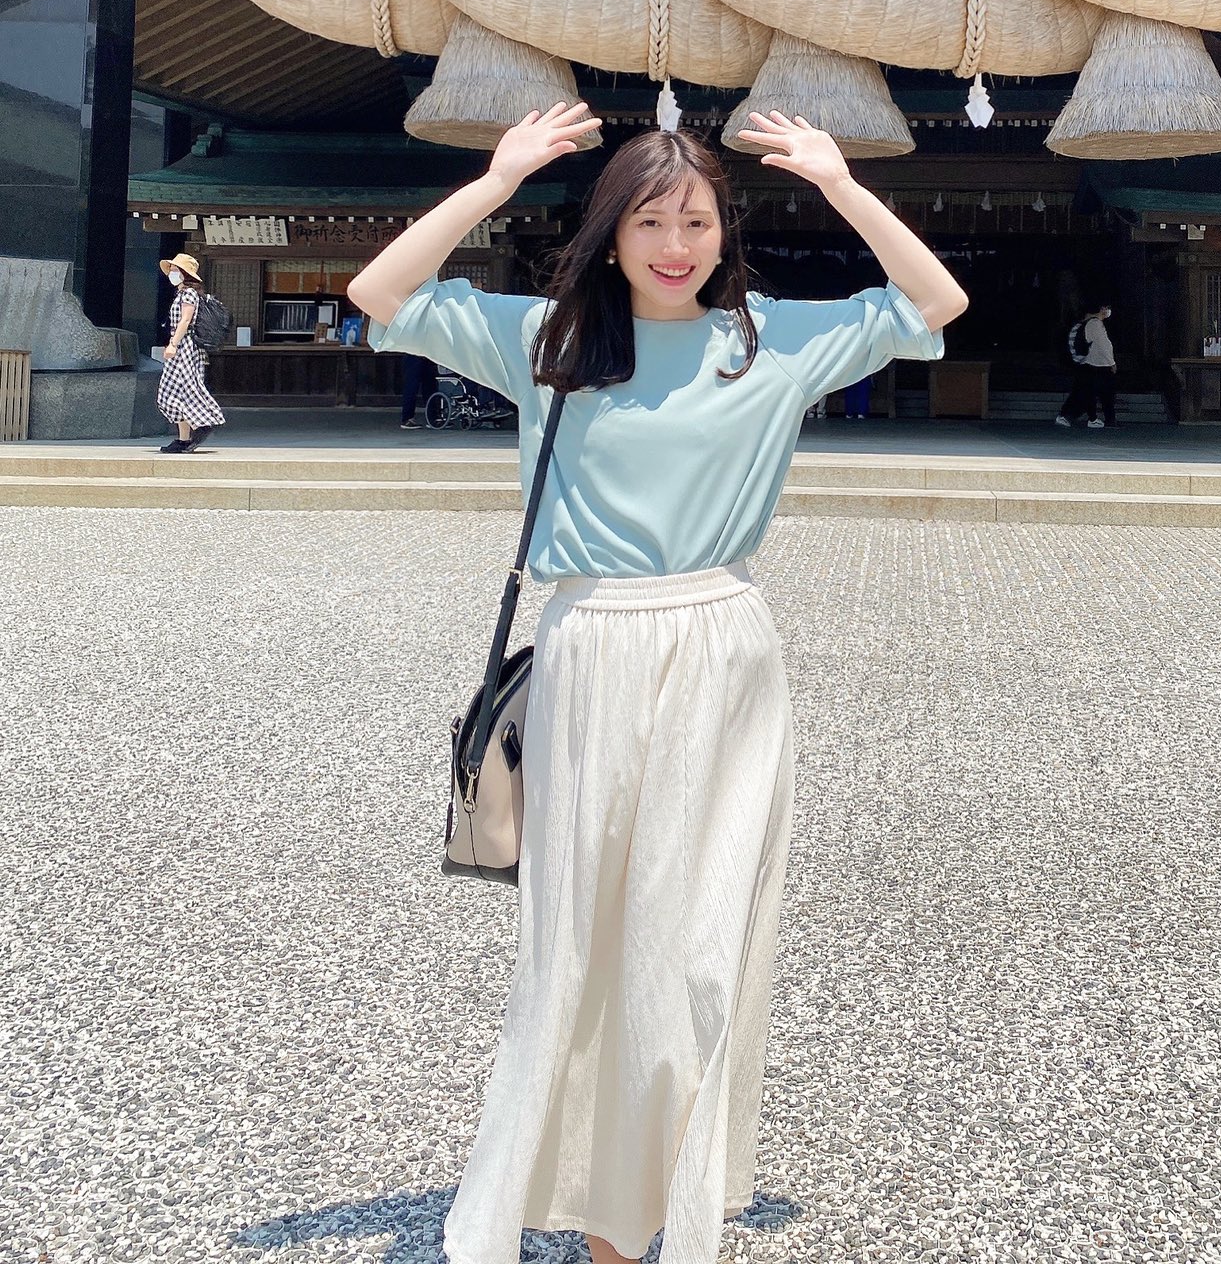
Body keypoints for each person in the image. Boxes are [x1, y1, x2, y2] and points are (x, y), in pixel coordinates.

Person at [347, 102, 965, 1264]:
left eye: (697, 219)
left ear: (726, 230)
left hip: (726, 649)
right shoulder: (551, 341)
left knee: (698, 946)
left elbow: (935, 305)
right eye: (649, 219)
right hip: (592, 643)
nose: (675, 242)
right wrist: (497, 178)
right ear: (611, 231)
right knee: (578, 938)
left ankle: (662, 1201)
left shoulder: (768, 339)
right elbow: (380, 294)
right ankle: (591, 1201)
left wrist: (839, 180)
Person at [155, 251, 224, 455]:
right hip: (182, 346)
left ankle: (204, 423)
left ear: (185, 273)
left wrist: (173, 344)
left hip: (184, 347)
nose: (172, 273)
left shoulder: (188, 294)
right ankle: (183, 438)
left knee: (185, 388)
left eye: (176, 270)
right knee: (176, 392)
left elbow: (185, 320)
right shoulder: (181, 294)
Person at [1056, 304, 1117, 429]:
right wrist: (1112, 363)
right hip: (1093, 363)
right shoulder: (1094, 324)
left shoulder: (1083, 324)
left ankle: (1087, 418)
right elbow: (1103, 345)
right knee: (1088, 392)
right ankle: (1081, 417)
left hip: (1085, 362)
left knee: (1085, 391)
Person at [399, 351, 437, 429]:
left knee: (430, 387)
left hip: (426, 355)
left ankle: (432, 417)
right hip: (415, 354)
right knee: (411, 387)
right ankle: (407, 418)